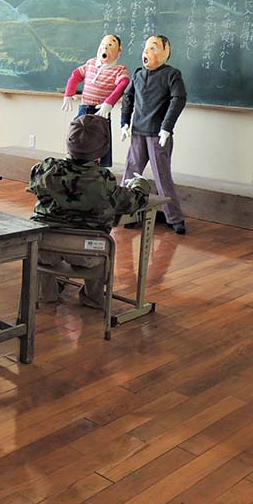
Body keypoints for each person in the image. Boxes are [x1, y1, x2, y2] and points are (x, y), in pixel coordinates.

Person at [29, 114, 150, 308]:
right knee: (100, 243)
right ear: (103, 150)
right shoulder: (104, 180)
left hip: (45, 245)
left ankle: (46, 293)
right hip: (88, 252)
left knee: (45, 243)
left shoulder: (47, 169)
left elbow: (34, 181)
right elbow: (134, 202)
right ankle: (93, 297)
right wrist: (141, 185)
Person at [120, 35, 187, 234]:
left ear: (166, 53)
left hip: (158, 134)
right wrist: (124, 122)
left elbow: (178, 99)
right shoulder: (138, 74)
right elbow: (128, 96)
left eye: (154, 47)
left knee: (162, 176)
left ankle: (173, 217)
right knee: (130, 173)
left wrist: (166, 127)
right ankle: (127, 213)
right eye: (146, 47)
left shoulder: (171, 75)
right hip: (138, 131)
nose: (147, 52)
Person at [61, 34, 129, 168]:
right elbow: (75, 75)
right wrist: (69, 93)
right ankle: (72, 165)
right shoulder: (91, 63)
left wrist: (109, 103)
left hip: (101, 112)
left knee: (99, 143)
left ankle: (97, 171)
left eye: (110, 45)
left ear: (119, 51)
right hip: (84, 108)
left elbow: (123, 83)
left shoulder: (119, 69)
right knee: (76, 138)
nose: (105, 47)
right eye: (103, 44)